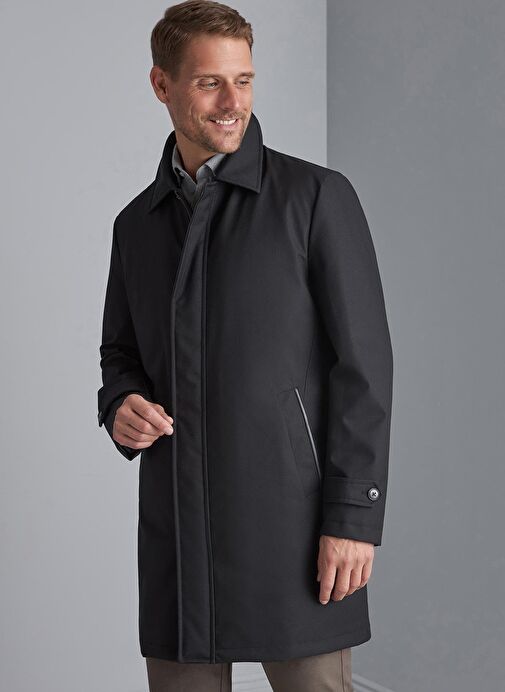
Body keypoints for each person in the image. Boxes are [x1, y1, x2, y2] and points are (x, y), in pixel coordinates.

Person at [97, 2, 394, 690]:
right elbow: (120, 354)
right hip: (178, 532)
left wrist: (354, 517)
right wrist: (121, 404)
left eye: (244, 80)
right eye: (210, 83)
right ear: (161, 84)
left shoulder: (315, 198)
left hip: (294, 528)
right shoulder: (135, 226)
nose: (233, 102)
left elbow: (364, 368)